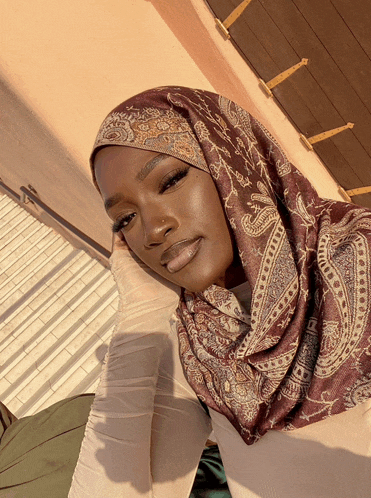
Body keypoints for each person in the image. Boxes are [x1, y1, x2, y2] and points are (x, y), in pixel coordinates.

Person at [66, 86, 371, 497]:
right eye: (125, 219)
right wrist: (141, 310)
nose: (153, 229)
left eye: (171, 180)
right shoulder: (196, 345)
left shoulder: (360, 257)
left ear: (233, 162)